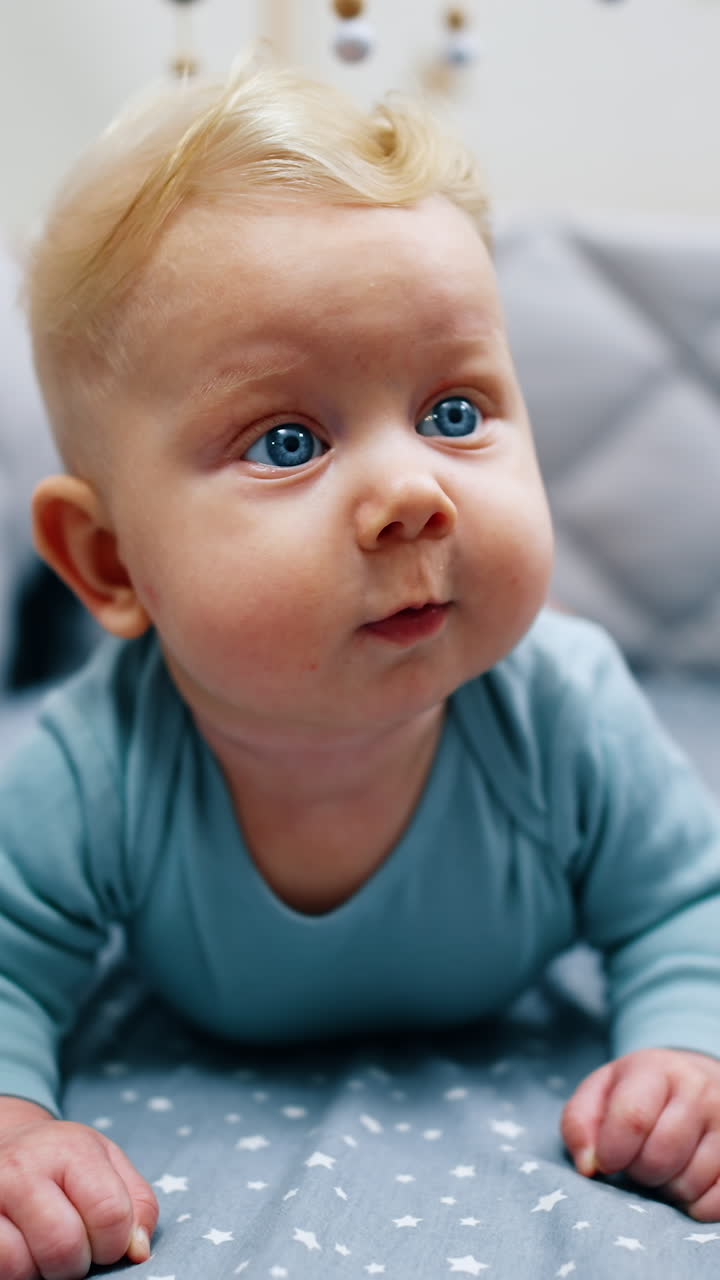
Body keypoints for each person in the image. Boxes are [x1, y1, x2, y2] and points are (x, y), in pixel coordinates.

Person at [1, 56, 720, 1280]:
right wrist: (16, 1125)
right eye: (288, 439)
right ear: (111, 560)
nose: (414, 492)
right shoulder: (94, 766)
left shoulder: (569, 708)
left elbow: (682, 905)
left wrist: (688, 1054)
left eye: (454, 412)